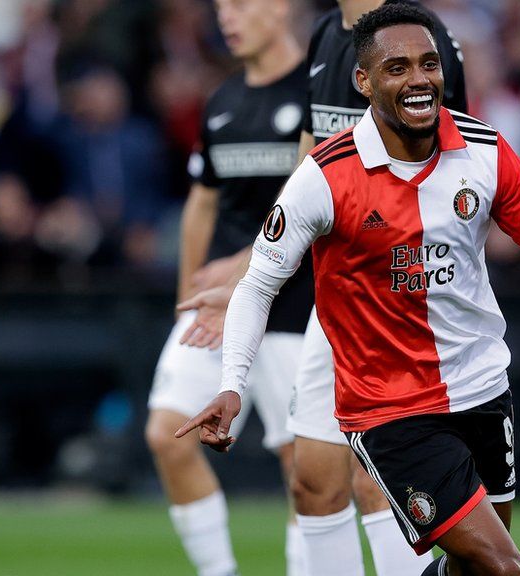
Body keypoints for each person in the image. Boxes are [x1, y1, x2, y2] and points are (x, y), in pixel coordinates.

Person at [177, 5, 520, 575]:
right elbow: (258, 285)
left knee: (470, 568)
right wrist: (233, 385)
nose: (419, 79)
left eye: (428, 65)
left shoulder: (485, 152)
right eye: (397, 68)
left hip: (480, 384)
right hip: (389, 407)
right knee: (506, 567)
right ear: (365, 82)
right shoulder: (325, 175)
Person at [179, 2, 467, 575]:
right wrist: (246, 269)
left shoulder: (421, 38)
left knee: (375, 478)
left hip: (397, 296)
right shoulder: (325, 35)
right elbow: (309, 167)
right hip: (333, 297)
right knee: (311, 480)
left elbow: (457, 166)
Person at [143, 1, 311, 575]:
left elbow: (313, 203)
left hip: (293, 301)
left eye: (240, 4)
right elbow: (202, 204)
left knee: (305, 468)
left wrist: (244, 265)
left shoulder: (320, 94)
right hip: (217, 306)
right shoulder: (222, 101)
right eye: (220, 7)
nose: (227, 18)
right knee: (167, 434)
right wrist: (182, 301)